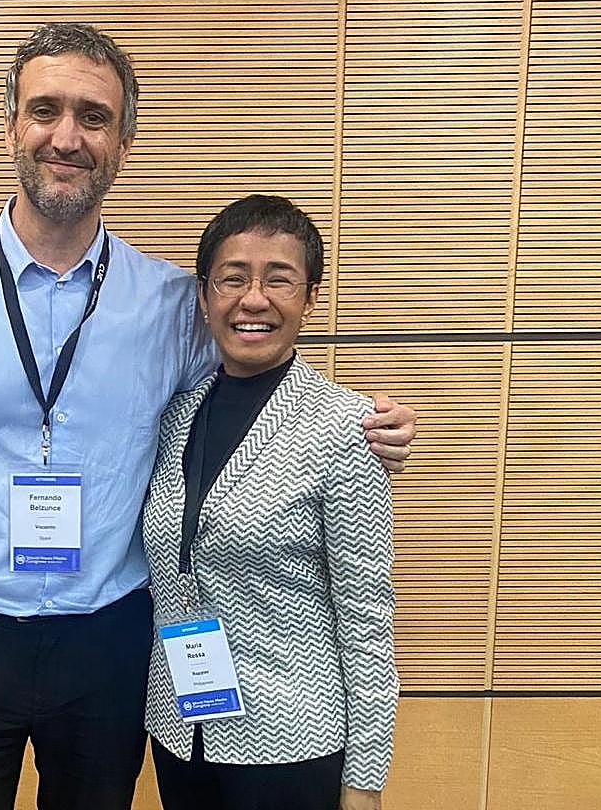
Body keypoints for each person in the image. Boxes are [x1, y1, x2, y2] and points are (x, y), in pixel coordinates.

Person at [0, 23, 414, 810]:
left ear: (124, 142)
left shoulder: (171, 302)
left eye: (94, 116)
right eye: (45, 110)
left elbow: (260, 368)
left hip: (108, 643)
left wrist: (364, 423)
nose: (66, 136)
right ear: (11, 125)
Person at [142, 195, 397, 810]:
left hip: (292, 746)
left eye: (279, 279)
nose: (252, 299)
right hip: (180, 732)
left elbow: (367, 621)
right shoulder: (175, 414)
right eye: (233, 278)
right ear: (204, 297)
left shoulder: (345, 428)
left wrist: (365, 779)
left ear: (310, 298)